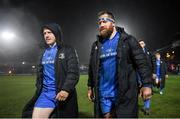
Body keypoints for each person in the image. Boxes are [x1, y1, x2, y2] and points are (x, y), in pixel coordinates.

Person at [87, 11, 152, 118]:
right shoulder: (96, 45)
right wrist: (90, 86)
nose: (101, 25)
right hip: (103, 94)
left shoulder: (128, 40)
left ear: (113, 23)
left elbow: (142, 63)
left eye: (104, 21)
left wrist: (147, 84)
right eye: (99, 23)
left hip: (124, 93)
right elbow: (91, 67)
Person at [22, 23, 79, 118]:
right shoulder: (43, 52)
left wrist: (66, 89)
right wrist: (38, 86)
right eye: (44, 33)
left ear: (56, 34)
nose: (46, 35)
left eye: (49, 32)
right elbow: (40, 74)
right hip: (45, 94)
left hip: (61, 93)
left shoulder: (67, 49)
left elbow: (73, 72)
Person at [138, 39, 154, 115]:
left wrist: (153, 72)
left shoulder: (149, 53)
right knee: (138, 92)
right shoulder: (136, 53)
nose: (141, 44)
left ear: (144, 44)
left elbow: (152, 62)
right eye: (140, 43)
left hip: (147, 75)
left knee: (147, 90)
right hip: (138, 75)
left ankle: (147, 107)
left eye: (142, 43)